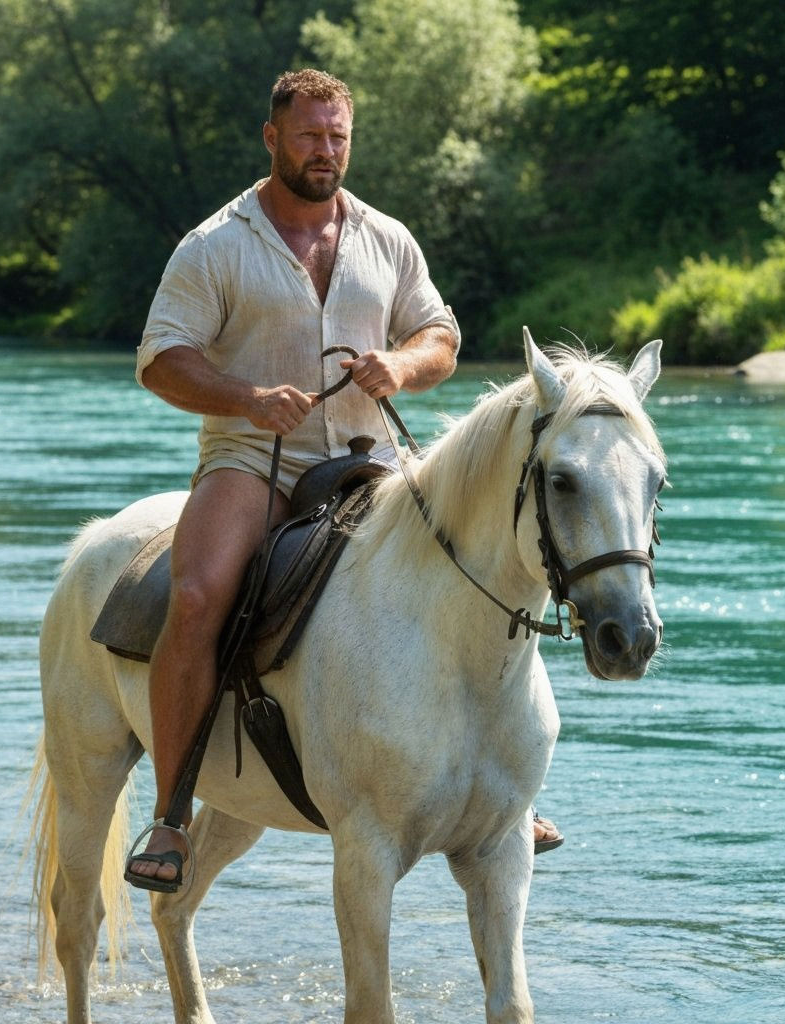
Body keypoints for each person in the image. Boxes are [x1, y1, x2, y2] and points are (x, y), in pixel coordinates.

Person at [124, 69, 561, 892]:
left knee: (493, 569)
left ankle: (503, 793)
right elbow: (162, 361)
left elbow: (441, 335)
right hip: (253, 461)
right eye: (309, 136)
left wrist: (398, 365)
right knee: (195, 596)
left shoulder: (386, 238)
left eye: (338, 138)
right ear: (272, 138)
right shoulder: (215, 244)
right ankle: (172, 812)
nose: (325, 152)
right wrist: (248, 399)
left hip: (372, 464)